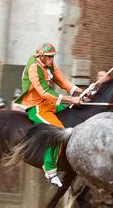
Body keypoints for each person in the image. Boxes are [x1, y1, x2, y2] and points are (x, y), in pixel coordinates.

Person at [14, 43, 83, 187]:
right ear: (41, 56)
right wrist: (71, 98)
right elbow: (45, 92)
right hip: (37, 106)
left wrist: (81, 92)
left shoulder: (49, 63)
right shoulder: (34, 67)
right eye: (49, 57)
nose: (52, 60)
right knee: (59, 132)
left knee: (70, 112)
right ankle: (50, 170)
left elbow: (63, 81)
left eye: (53, 57)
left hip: (49, 103)